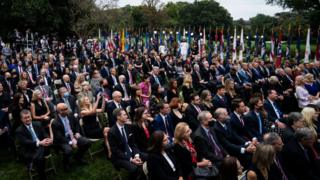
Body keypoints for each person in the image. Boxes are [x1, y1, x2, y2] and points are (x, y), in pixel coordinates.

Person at [52, 103, 92, 171]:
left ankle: (78, 157)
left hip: (73, 135)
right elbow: (59, 137)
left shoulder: (70, 115)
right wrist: (71, 142)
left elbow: (76, 124)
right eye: (63, 110)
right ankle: (66, 163)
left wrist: (77, 132)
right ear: (58, 111)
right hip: (63, 140)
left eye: (66, 108)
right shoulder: (55, 122)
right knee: (68, 150)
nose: (65, 110)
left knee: (87, 142)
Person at [15, 109, 53, 180]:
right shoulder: (19, 130)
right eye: (25, 118)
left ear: (31, 117)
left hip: (42, 146)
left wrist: (48, 139)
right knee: (39, 159)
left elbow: (44, 133)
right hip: (30, 149)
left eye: (29, 117)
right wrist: (39, 143)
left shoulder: (38, 124)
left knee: (38, 157)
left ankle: (34, 164)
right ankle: (42, 176)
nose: (28, 119)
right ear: (21, 119)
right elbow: (26, 142)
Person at [108, 108, 144, 178]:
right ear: (118, 117)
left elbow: (133, 143)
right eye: (124, 115)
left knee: (148, 157)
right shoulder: (112, 132)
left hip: (131, 151)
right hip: (120, 156)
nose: (127, 116)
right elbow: (115, 151)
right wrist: (131, 159)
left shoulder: (128, 126)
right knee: (134, 168)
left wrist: (136, 156)